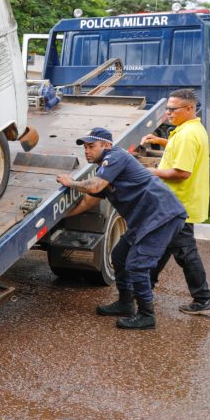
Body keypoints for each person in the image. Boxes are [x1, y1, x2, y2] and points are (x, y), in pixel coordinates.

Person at [56, 127, 186, 330]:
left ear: (106, 145)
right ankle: (126, 304)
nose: (87, 151)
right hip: (144, 220)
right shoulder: (104, 168)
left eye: (91, 146)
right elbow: (88, 202)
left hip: (161, 216)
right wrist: (60, 218)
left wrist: (71, 183)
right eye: (85, 148)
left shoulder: (115, 157)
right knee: (119, 257)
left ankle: (146, 315)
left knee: (137, 265)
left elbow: (95, 187)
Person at [141, 88, 210, 315]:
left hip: (178, 205)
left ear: (189, 108)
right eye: (167, 108)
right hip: (181, 203)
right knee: (162, 247)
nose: (168, 113)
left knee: (185, 252)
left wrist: (149, 172)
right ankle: (145, 288)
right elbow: (182, 150)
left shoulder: (186, 134)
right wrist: (160, 141)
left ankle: (204, 299)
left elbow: (182, 172)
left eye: (172, 109)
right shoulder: (193, 128)